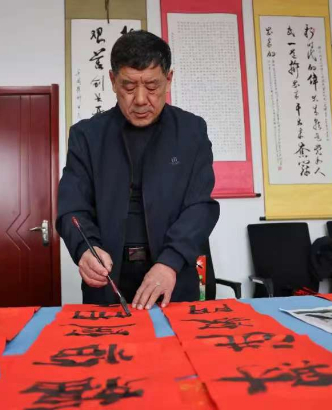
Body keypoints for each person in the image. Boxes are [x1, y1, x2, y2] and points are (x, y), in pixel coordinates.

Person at [56, 30, 219, 310]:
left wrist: (170, 262)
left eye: (152, 86)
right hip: (108, 280)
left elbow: (200, 207)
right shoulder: (87, 136)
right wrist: (85, 249)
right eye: (129, 87)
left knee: (175, 339)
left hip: (173, 275)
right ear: (112, 81)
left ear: (169, 79)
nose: (141, 99)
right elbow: (72, 209)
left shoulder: (191, 131)